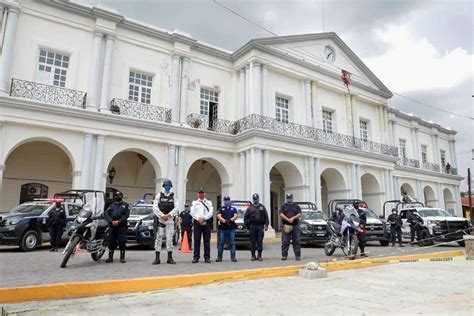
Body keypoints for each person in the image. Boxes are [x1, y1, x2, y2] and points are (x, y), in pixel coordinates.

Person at [152, 179, 179, 265]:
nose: (168, 187)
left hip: (170, 220)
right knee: (159, 238)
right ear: (163, 186)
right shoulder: (159, 195)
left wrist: (169, 215)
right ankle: (157, 258)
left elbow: (177, 207)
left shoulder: (173, 196)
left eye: (169, 186)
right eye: (166, 186)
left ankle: (169, 258)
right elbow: (155, 207)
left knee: (169, 238)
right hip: (161, 219)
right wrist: (162, 215)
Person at [104, 191, 130, 263]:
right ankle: (110, 257)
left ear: (121, 196)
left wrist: (119, 221)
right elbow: (106, 213)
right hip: (112, 225)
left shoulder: (125, 205)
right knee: (111, 241)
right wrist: (111, 221)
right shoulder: (112, 205)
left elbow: (126, 215)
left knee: (122, 241)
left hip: (121, 226)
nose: (117, 197)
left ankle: (122, 257)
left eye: (118, 196)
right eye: (116, 196)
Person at [190, 188, 213, 263]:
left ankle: (207, 257)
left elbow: (211, 212)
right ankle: (196, 257)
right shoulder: (194, 203)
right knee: (197, 241)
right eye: (200, 193)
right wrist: (198, 219)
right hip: (197, 223)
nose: (201, 194)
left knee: (207, 241)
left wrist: (204, 218)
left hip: (206, 223)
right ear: (198, 194)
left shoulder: (208, 202)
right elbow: (192, 212)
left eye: (202, 193)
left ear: (204, 194)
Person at [244, 193, 269, 261]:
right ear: (253, 199)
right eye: (254, 199)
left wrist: (266, 225)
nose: (255, 200)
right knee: (252, 241)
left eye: (256, 199)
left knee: (260, 240)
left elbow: (266, 217)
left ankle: (259, 255)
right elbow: (245, 218)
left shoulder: (262, 207)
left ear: (258, 199)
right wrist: (246, 227)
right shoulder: (250, 207)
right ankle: (253, 255)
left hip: (260, 226)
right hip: (252, 226)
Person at [280, 193, 302, 261]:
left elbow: (299, 214)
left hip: (295, 225)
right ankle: (284, 255)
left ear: (292, 198)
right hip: (286, 225)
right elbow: (281, 214)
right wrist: (288, 219)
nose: (289, 199)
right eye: (288, 198)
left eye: (290, 198)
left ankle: (297, 256)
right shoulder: (284, 206)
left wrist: (293, 218)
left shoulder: (296, 206)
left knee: (297, 241)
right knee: (285, 241)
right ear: (286, 198)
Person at [216, 196, 238, 262]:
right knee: (221, 243)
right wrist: (225, 221)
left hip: (231, 228)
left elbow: (236, 215)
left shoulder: (233, 209)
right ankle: (219, 257)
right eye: (225, 200)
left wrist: (231, 220)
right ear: (224, 201)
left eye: (228, 200)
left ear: (229, 201)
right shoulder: (221, 209)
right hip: (223, 229)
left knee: (232, 243)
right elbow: (218, 216)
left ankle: (233, 257)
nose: (226, 202)